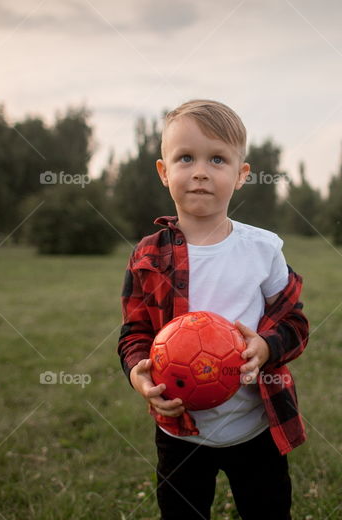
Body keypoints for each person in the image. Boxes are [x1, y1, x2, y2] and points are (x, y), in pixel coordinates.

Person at [117, 99, 310, 519]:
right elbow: (133, 334)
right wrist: (139, 375)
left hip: (256, 426)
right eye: (185, 157)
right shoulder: (147, 256)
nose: (200, 170)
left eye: (217, 159)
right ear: (164, 171)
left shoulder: (262, 249)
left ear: (241, 175)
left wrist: (266, 347)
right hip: (180, 433)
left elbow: (294, 321)